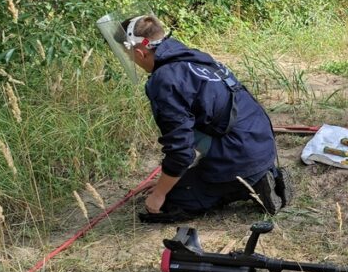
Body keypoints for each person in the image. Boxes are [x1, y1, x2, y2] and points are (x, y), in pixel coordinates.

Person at [110, 15, 291, 221]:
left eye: (128, 54)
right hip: (259, 140)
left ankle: (250, 185)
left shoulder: (165, 80)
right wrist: (169, 179)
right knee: (175, 183)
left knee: (170, 202)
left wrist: (160, 193)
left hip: (241, 155)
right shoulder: (188, 55)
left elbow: (180, 151)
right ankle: (260, 174)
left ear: (141, 53)